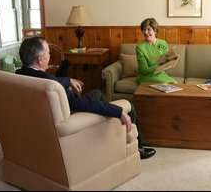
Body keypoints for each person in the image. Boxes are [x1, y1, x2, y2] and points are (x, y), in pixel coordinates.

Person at [16, 36, 156, 159]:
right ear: (40, 59)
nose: (50, 56)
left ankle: (106, 139)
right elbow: (81, 102)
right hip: (73, 119)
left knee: (97, 93)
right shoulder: (50, 84)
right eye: (48, 53)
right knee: (128, 107)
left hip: (43, 125)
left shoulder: (19, 76)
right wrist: (118, 111)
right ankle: (139, 149)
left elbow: (58, 82)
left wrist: (68, 80)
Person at [136, 18, 176, 83]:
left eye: (149, 29)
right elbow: (144, 70)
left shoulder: (163, 43)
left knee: (175, 84)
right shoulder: (140, 47)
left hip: (161, 74)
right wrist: (160, 66)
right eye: (144, 29)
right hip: (146, 76)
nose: (145, 32)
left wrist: (171, 61)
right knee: (163, 84)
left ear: (154, 30)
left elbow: (167, 61)